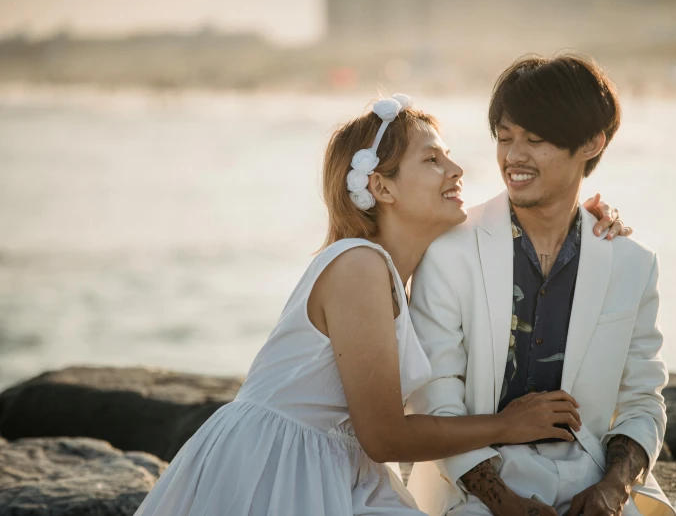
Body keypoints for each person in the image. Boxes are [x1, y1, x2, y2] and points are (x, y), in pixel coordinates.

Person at [133, 93, 629, 516]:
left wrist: (574, 221)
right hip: (276, 467)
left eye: (450, 156)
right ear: (381, 186)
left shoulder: (398, 270)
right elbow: (384, 436)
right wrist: (509, 424)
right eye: (433, 160)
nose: (457, 170)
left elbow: (504, 242)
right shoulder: (359, 267)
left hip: (338, 463)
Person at [405, 54, 673, 516]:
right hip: (474, 485)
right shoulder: (449, 251)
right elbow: (434, 397)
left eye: (536, 139)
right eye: (505, 138)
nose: (513, 157)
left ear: (591, 143)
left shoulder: (631, 262)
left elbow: (642, 398)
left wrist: (613, 488)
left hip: (591, 477)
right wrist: (503, 501)